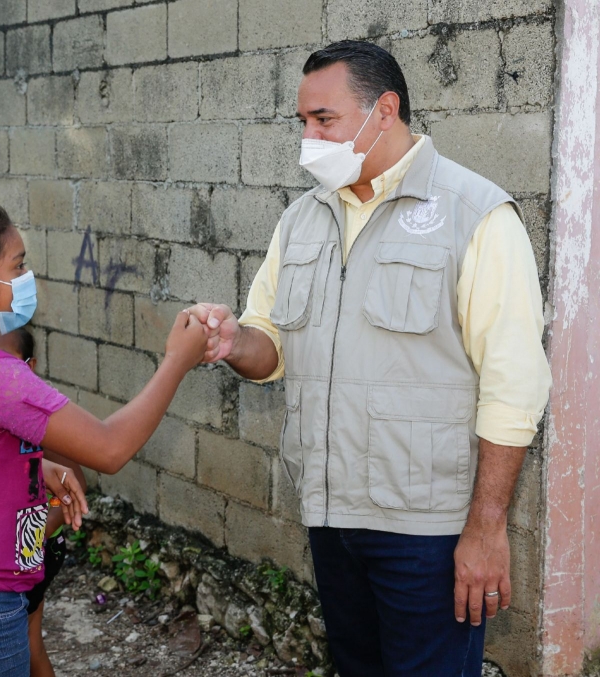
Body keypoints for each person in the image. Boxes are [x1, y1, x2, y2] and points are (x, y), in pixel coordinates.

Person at [187, 40, 551, 677]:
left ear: (384, 110)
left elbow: (513, 385)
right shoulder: (303, 219)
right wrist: (229, 341)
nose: (309, 137)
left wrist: (487, 525)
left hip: (428, 533)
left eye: (323, 120)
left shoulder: (475, 215)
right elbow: (269, 344)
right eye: (302, 121)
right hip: (331, 516)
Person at [0, 189, 207, 676]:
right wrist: (178, 360)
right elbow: (109, 449)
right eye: (16, 266)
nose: (27, 279)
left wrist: (29, 465)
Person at [0, 327, 86, 677]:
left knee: (19, 640)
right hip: (17, 546)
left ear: (29, 367)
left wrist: (33, 534)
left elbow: (75, 483)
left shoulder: (36, 420)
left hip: (35, 546)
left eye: (4, 363)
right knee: (29, 642)